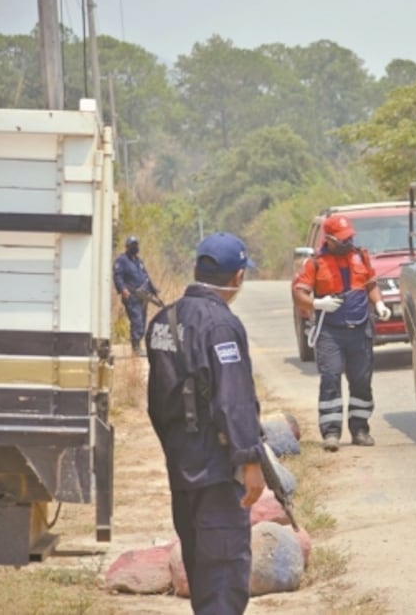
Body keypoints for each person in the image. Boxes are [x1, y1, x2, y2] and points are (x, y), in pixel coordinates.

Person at [145, 232, 265, 614]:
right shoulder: (220, 325)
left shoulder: (163, 320)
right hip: (216, 470)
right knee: (223, 576)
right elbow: (234, 400)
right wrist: (250, 461)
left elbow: (156, 402)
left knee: (201, 572)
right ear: (238, 277)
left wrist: (177, 448)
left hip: (182, 468)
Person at [291, 214, 392, 451]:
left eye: (350, 237)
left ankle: (360, 430)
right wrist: (318, 303)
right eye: (343, 239)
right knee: (331, 379)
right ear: (330, 239)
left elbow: (371, 284)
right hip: (330, 332)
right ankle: (331, 432)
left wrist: (379, 304)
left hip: (360, 329)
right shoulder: (315, 263)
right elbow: (299, 293)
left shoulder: (361, 256)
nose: (348, 242)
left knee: (361, 381)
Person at [113, 235, 158, 356]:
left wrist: (153, 289)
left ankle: (138, 344)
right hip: (131, 296)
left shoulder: (138, 261)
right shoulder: (122, 260)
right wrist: (122, 289)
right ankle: (136, 348)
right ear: (127, 247)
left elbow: (146, 276)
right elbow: (117, 276)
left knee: (142, 321)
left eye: (136, 245)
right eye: (132, 245)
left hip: (143, 295)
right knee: (137, 320)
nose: (135, 247)